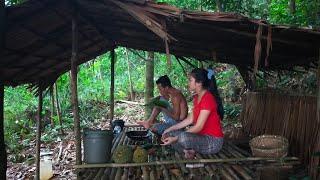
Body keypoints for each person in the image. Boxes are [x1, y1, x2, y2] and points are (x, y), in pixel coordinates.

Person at [161, 68, 224, 159]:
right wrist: (169, 129)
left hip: (213, 142)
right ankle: (187, 151)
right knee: (171, 134)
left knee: (182, 138)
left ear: (199, 83)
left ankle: (189, 149)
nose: (188, 83)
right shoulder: (196, 98)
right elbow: (189, 120)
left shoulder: (208, 99)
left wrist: (176, 138)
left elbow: (198, 127)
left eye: (190, 80)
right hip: (201, 137)